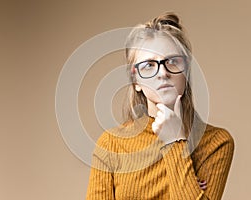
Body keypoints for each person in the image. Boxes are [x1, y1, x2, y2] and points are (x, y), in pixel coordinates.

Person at [86, 12, 234, 200]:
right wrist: (189, 183)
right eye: (149, 65)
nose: (162, 73)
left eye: (172, 61)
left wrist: (174, 141)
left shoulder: (215, 143)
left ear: (186, 71)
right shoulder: (111, 144)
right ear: (135, 80)